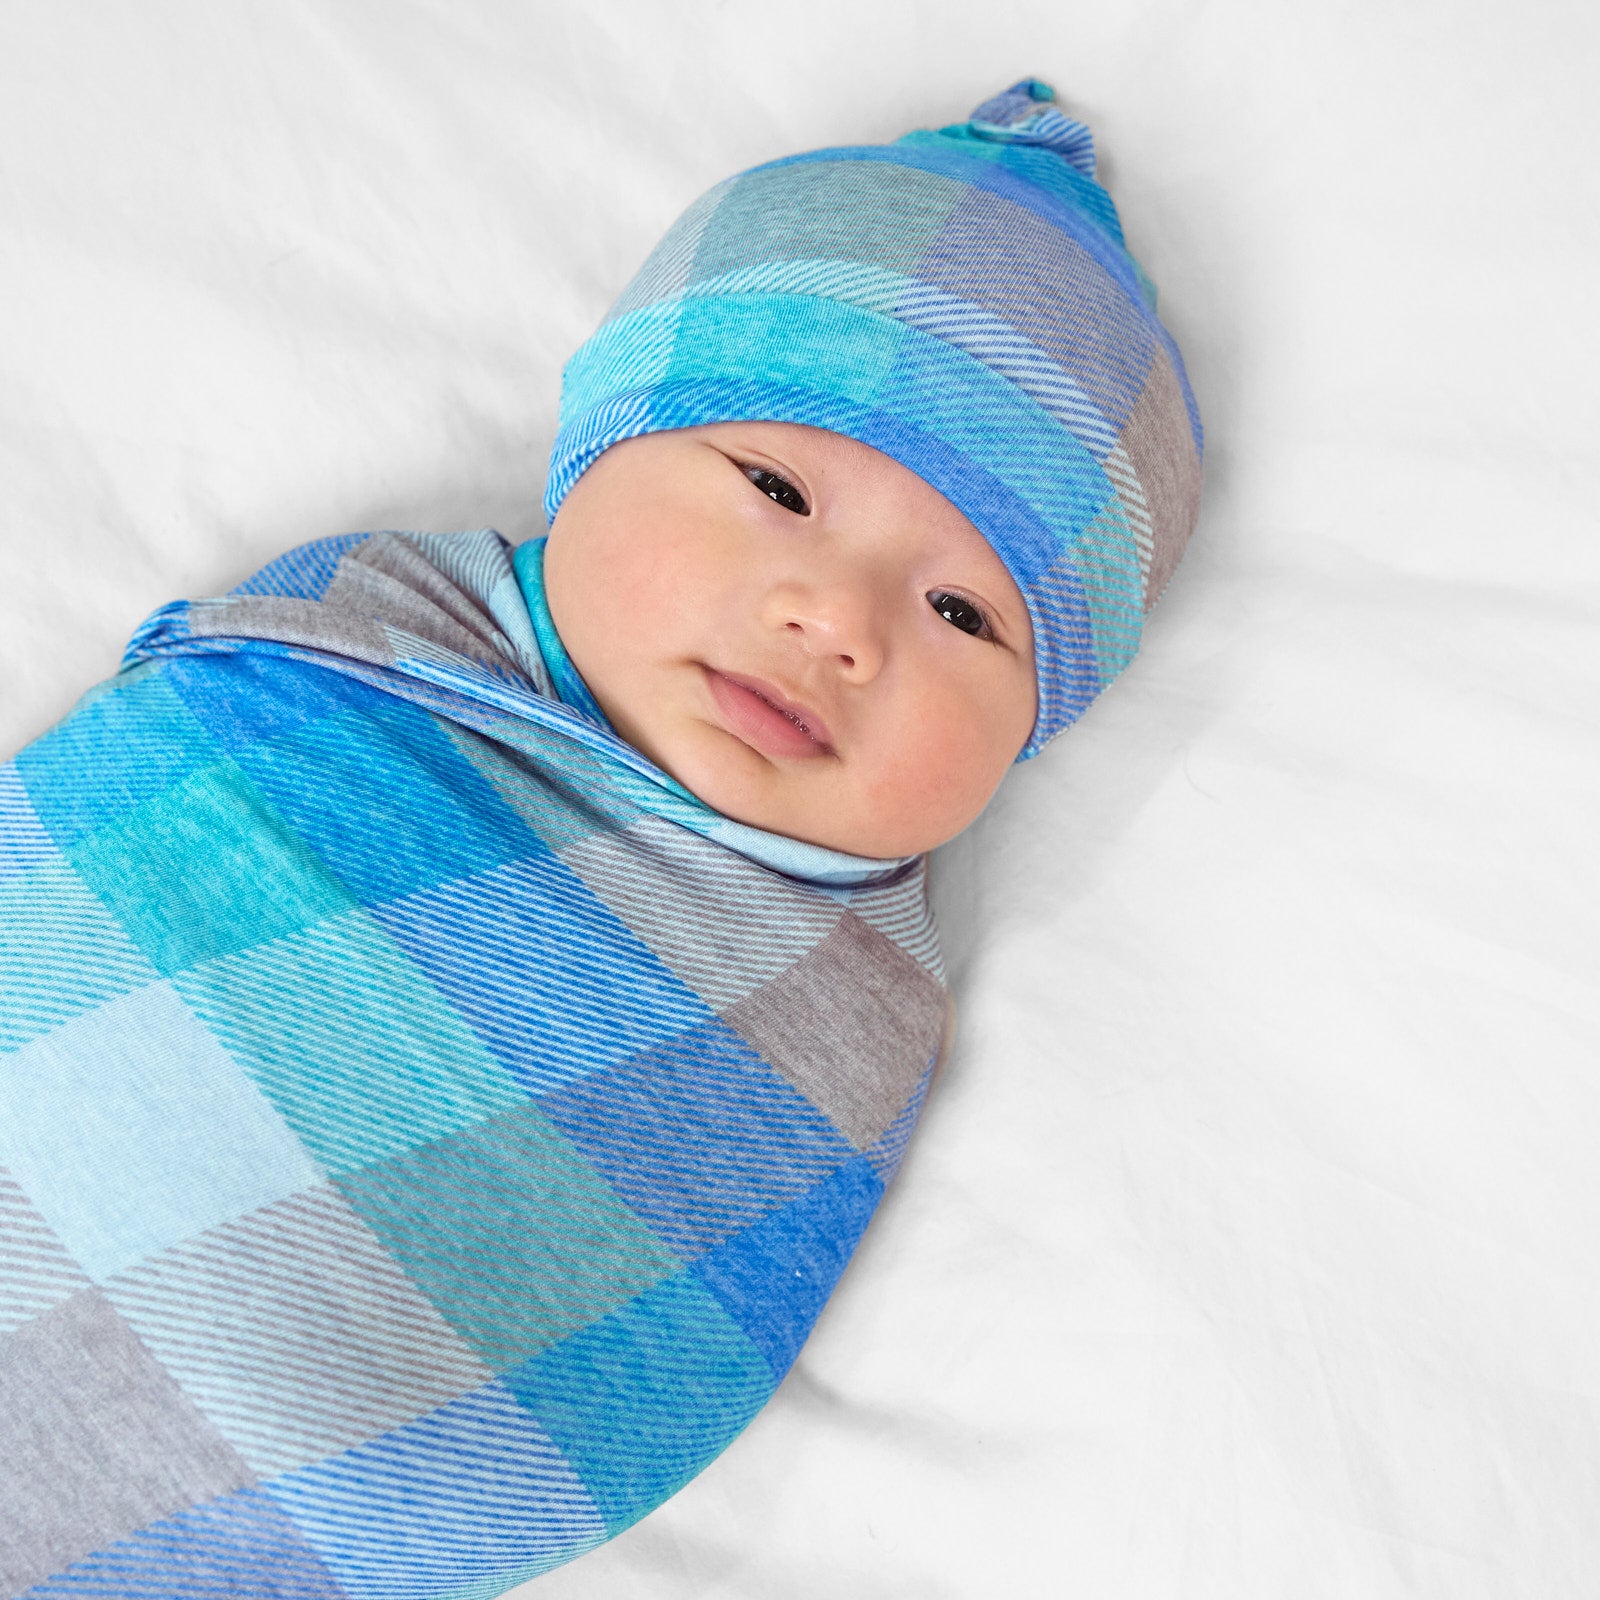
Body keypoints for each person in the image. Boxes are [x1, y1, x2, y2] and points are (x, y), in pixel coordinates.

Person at [0, 78, 1200, 1596]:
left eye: (966, 611)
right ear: (601, 445)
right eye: (777, 488)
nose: (834, 620)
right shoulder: (354, 655)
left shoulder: (834, 1005)